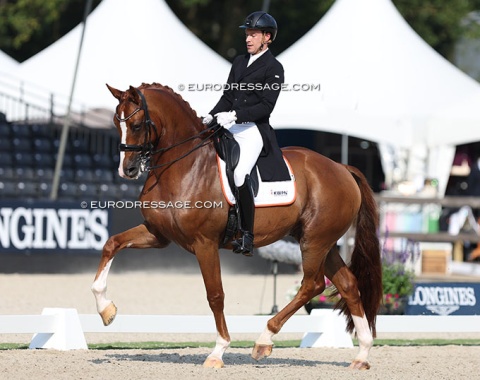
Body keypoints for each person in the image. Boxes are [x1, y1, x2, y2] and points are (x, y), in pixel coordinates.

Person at [203, 11, 284, 256]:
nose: (248, 39)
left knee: (240, 174)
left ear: (267, 37)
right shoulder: (239, 62)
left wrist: (237, 116)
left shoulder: (274, 68)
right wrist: (210, 115)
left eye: (253, 34)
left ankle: (247, 235)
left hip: (253, 129)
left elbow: (265, 107)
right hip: (229, 124)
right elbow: (228, 96)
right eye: (247, 34)